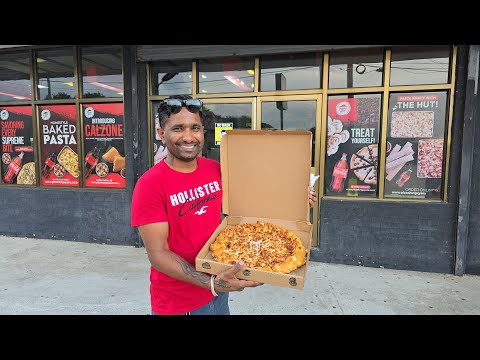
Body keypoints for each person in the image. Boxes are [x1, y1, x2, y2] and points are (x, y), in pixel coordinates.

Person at [131, 94, 318, 315]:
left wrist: (293, 198)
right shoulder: (149, 185)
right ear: (162, 134)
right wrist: (210, 283)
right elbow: (158, 254)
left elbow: (251, 200)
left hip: (219, 287)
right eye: (178, 128)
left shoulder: (214, 169)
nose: (189, 137)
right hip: (179, 301)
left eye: (195, 128)